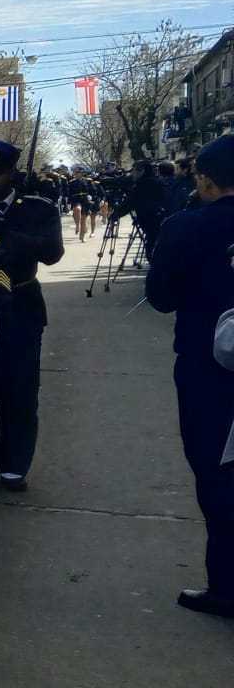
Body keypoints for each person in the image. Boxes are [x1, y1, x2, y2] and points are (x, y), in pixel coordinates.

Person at [146, 133, 234, 618]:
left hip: (209, 370)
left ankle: (226, 584)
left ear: (202, 178)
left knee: (216, 474)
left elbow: (161, 297)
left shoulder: (186, 227)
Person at [0, 138, 64, 491]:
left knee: (18, 386)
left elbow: (52, 253)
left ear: (13, 173)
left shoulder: (37, 207)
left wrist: (6, 232)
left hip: (20, 302)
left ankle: (15, 461)